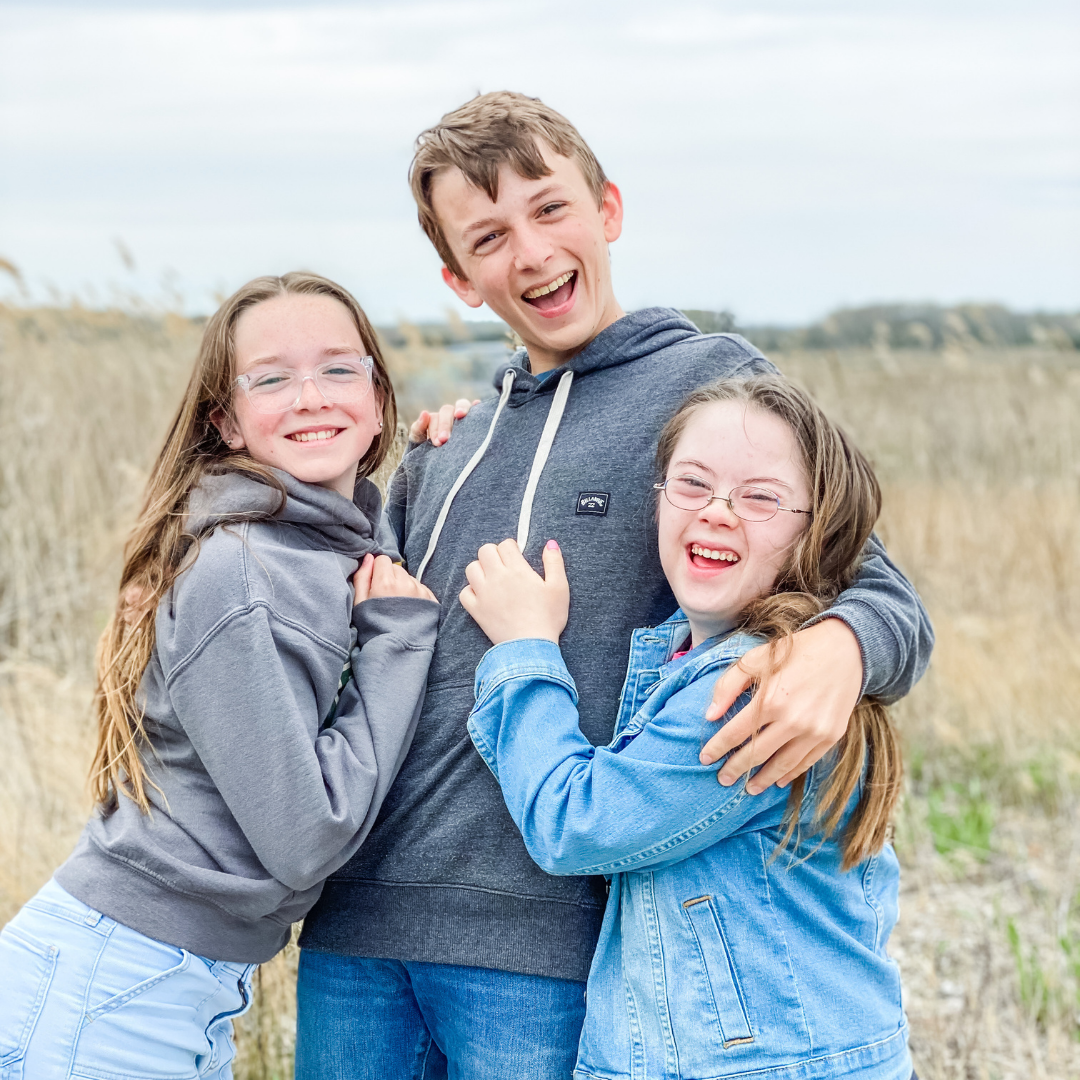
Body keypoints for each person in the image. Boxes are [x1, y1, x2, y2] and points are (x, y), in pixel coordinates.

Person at [296, 92, 932, 1077]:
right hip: (357, 928)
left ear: (608, 211)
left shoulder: (709, 383)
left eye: (551, 209)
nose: (532, 251)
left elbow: (874, 582)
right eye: (489, 237)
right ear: (460, 278)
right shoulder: (448, 445)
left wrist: (843, 646)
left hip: (540, 942)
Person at [0, 272, 439, 1079]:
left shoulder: (319, 544)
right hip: (114, 991)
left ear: (379, 398)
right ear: (226, 422)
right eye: (271, 379)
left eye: (339, 369)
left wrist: (463, 443)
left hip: (169, 983)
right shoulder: (241, 571)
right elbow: (305, 839)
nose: (311, 396)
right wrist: (396, 645)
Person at [461, 374, 914, 1080]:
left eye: (761, 497)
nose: (718, 513)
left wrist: (525, 648)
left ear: (816, 528)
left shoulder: (753, 687)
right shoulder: (687, 653)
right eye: (693, 484)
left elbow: (576, 822)